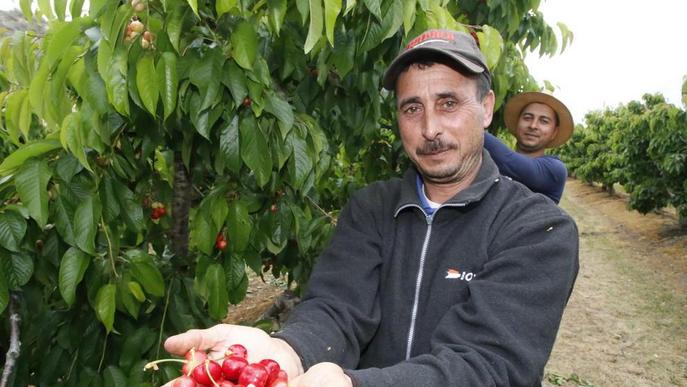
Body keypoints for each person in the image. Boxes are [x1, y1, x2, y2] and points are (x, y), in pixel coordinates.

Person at [163, 29, 579, 387]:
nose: (430, 128)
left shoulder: (538, 229)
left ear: (485, 109)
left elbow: (488, 365)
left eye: (449, 103)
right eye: (412, 108)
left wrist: (353, 382)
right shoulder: (373, 208)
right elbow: (337, 307)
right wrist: (286, 352)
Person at [484, 91, 574, 203]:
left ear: (554, 132)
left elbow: (509, 162)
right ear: (517, 123)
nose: (533, 126)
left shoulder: (555, 169)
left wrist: (472, 126)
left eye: (544, 121)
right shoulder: (491, 161)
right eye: (527, 118)